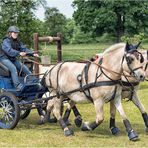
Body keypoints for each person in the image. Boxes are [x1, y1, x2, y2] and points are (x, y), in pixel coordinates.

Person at [0, 26, 39, 91]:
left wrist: (32, 53)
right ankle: (18, 86)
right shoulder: (6, 41)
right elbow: (8, 50)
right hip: (4, 58)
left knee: (25, 68)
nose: (16, 34)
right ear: (10, 33)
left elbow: (24, 48)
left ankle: (35, 82)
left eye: (17, 33)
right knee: (13, 68)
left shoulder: (17, 41)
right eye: (14, 33)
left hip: (12, 58)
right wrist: (19, 53)